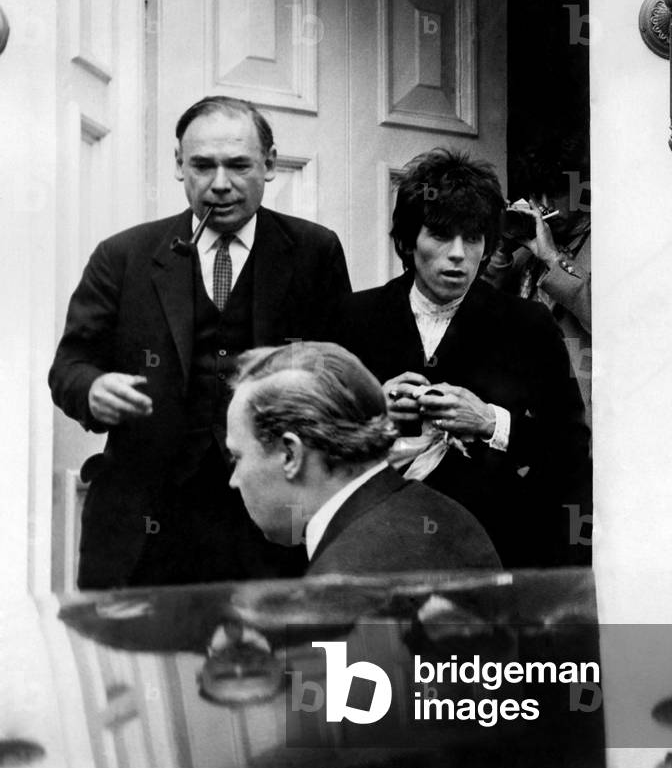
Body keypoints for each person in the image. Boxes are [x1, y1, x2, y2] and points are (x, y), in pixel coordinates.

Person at [49, 95, 351, 589]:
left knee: (274, 664)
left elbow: (339, 374)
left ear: (270, 164)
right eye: (202, 166)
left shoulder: (315, 252)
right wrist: (92, 388)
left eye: (238, 165)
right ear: (178, 165)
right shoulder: (123, 255)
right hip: (145, 528)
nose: (220, 185)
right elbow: (70, 365)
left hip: (271, 526)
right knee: (135, 665)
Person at [333, 149, 590, 569]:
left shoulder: (526, 324)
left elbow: (570, 449)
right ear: (407, 240)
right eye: (440, 235)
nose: (458, 254)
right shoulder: (353, 319)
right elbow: (313, 444)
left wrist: (491, 422)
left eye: (472, 238)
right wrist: (373, 411)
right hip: (376, 552)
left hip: (488, 553)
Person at [227, 342, 502, 575]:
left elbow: (352, 637)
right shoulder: (446, 515)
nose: (234, 481)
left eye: (237, 457)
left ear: (291, 454)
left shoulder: (341, 582)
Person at [483, 137, 592, 427]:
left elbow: (611, 323)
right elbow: (475, 310)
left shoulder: (604, 243)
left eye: (555, 193)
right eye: (536, 194)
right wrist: (501, 250)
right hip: (521, 420)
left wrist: (553, 259)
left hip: (580, 419)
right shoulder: (521, 254)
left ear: (579, 189)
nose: (543, 205)